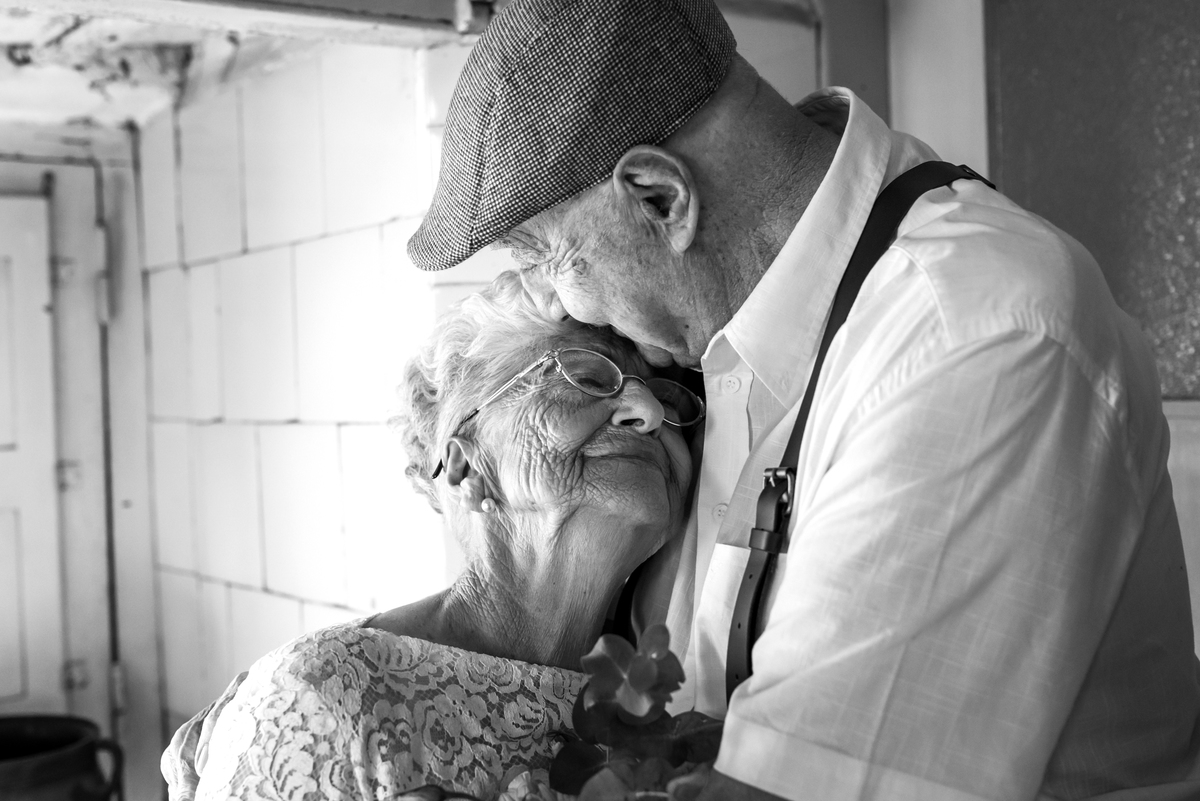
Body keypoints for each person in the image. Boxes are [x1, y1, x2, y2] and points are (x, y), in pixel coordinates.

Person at [406, 0, 1200, 798]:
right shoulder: (739, 338)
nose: (568, 308)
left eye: (551, 260)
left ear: (660, 197)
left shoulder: (969, 333)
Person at [162, 270, 702, 800]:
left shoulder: (666, 696)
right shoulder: (328, 697)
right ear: (466, 469)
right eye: (586, 377)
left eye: (670, 400)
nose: (651, 412)